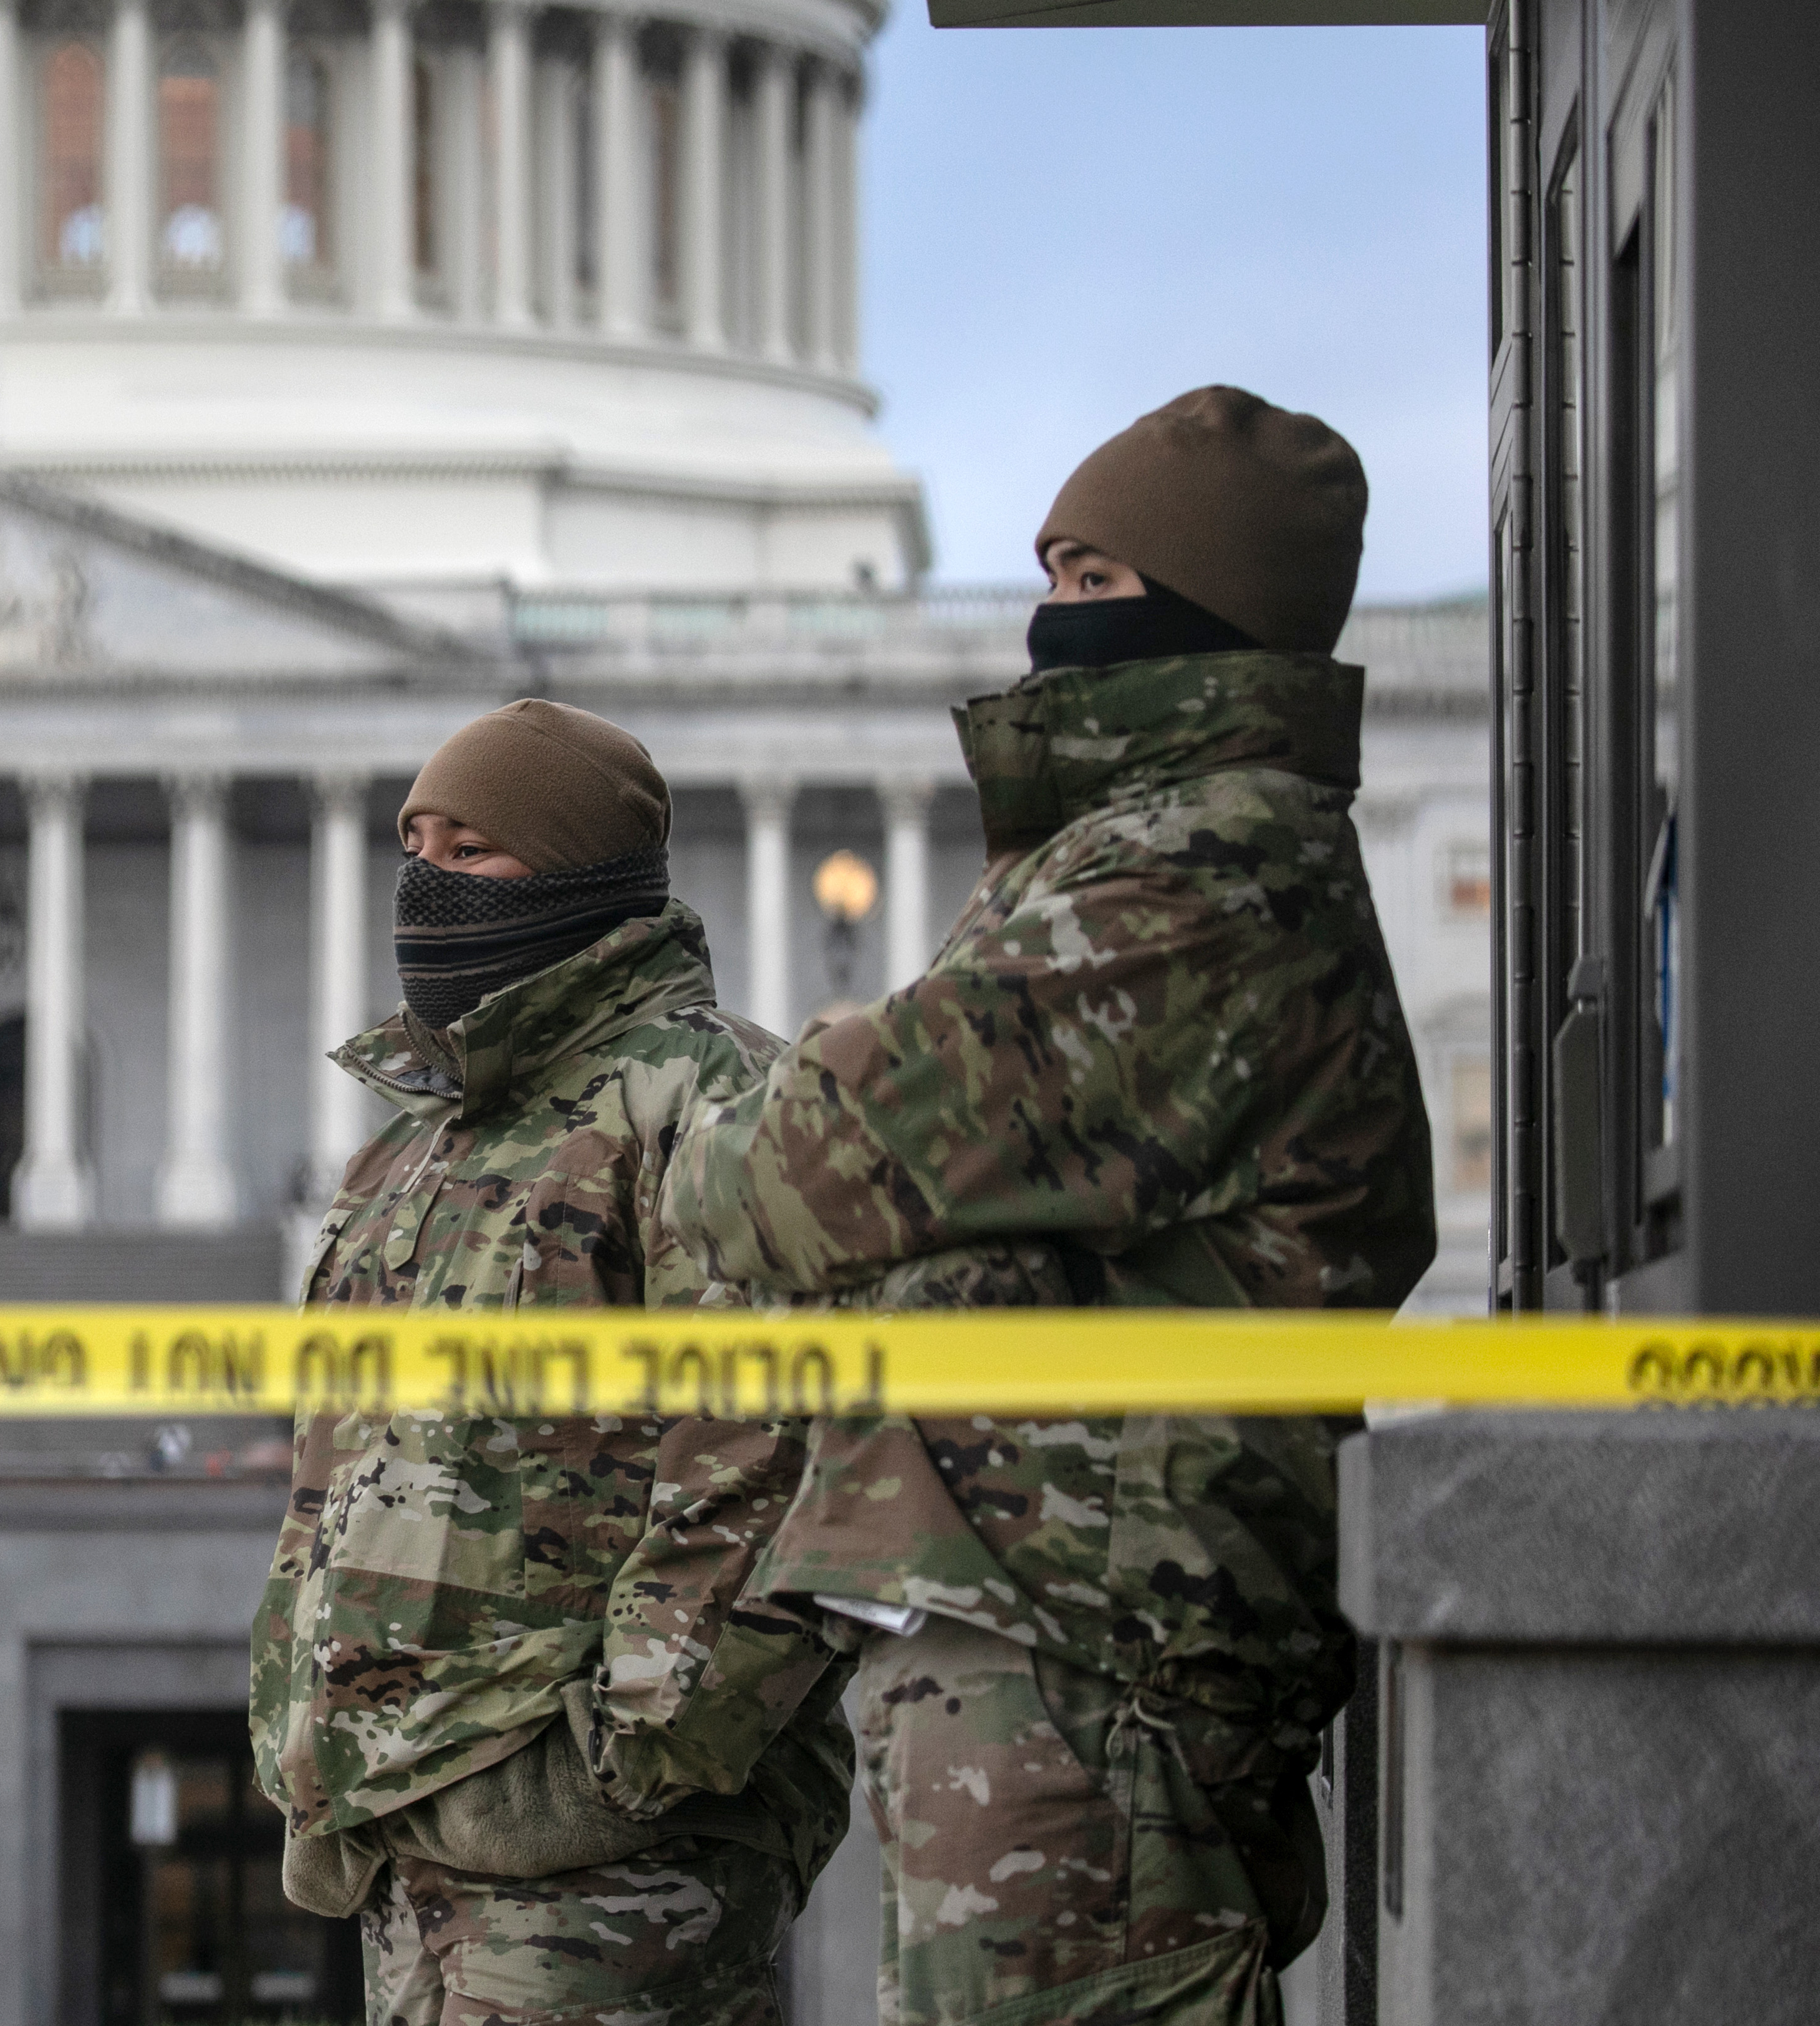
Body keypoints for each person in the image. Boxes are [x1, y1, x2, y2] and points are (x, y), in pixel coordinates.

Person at [660, 387, 1437, 2026]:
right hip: (1068, 1616)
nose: (1046, 624)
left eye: (1092, 583)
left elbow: (802, 1169)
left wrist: (807, 1096)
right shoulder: (1150, 849)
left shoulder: (1191, 868)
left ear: (1205, 609)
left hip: (1095, 1635)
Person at [249, 699, 858, 2026]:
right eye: (413, 842)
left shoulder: (710, 1100)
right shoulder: (410, 1148)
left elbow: (773, 1468)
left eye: (471, 849)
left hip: (611, 1866)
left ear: (584, 869)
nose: (424, 879)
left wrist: (602, 1771)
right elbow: (333, 1473)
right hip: (407, 1844)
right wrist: (308, 1746)